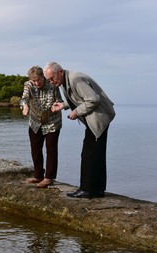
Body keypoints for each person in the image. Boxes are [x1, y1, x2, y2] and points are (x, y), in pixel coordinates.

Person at [43, 62, 115, 198]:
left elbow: (93, 99)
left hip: (99, 118)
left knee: (89, 155)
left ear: (60, 72)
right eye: (49, 80)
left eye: (52, 78)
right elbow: (79, 99)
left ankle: (87, 190)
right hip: (96, 117)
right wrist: (64, 105)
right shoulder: (66, 79)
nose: (51, 82)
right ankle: (98, 190)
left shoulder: (75, 79)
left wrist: (76, 112)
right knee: (97, 155)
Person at [21, 66, 62, 188]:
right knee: (35, 149)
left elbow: (59, 100)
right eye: (34, 81)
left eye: (39, 80)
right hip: (35, 121)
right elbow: (24, 98)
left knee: (51, 149)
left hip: (52, 121)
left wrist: (57, 106)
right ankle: (38, 175)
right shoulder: (28, 85)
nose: (37, 83)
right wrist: (25, 106)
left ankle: (49, 177)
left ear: (43, 77)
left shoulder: (52, 84)